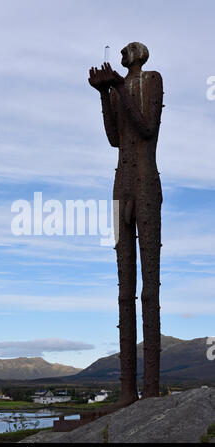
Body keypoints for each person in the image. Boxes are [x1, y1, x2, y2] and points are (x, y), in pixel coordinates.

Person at [88, 42, 163, 405]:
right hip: (121, 185)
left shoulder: (152, 80)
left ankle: (149, 389)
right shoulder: (118, 90)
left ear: (138, 56)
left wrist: (118, 87)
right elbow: (114, 139)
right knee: (123, 290)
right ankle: (126, 391)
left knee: (149, 287)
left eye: (127, 50)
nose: (123, 53)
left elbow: (147, 128)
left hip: (146, 182)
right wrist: (105, 94)